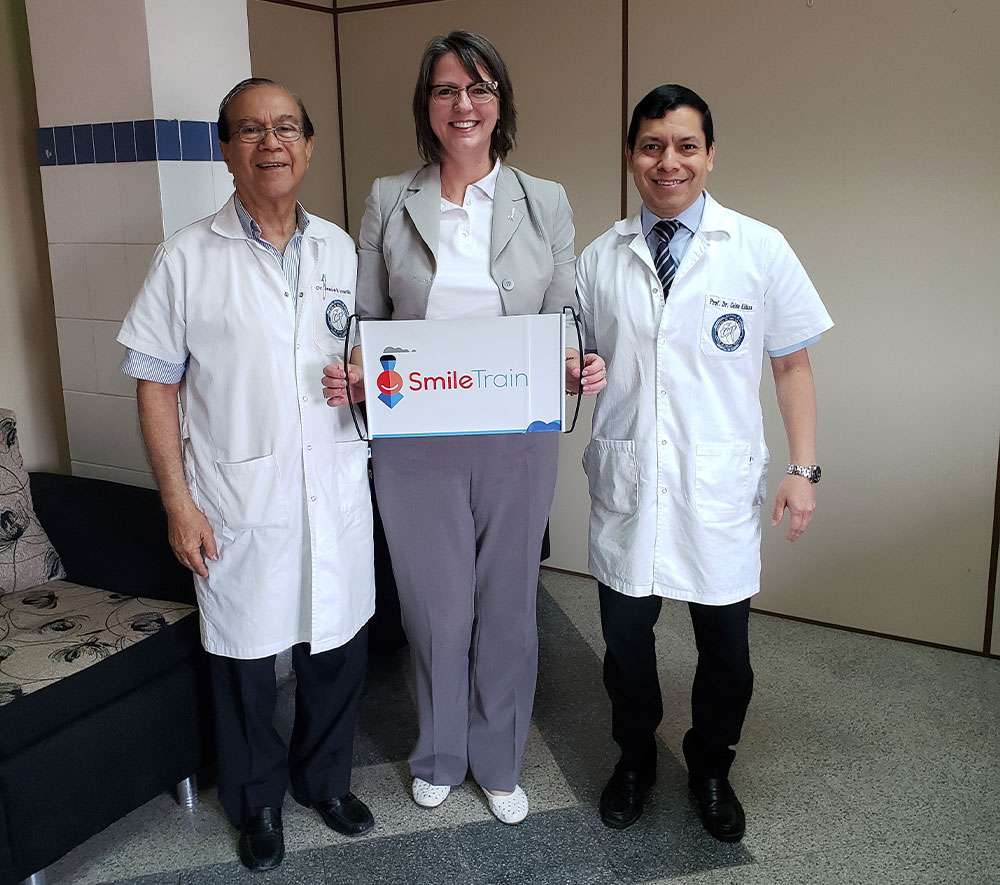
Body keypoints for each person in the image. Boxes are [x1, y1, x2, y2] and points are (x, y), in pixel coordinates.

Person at [322, 30, 605, 825]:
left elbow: (565, 313)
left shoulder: (542, 199)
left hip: (517, 432)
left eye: (479, 89)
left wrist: (579, 359)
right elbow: (368, 320)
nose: (464, 104)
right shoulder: (389, 197)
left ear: (500, 103)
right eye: (446, 90)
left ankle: (499, 759)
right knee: (434, 606)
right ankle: (441, 753)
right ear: (428, 106)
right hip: (416, 436)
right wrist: (353, 371)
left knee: (508, 602)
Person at [117, 78, 376, 871]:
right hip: (235, 493)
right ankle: (257, 798)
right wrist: (177, 502)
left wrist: (365, 375)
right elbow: (154, 382)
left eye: (288, 127)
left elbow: (358, 355)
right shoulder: (187, 257)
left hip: (331, 484)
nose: (273, 143)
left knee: (335, 642)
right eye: (252, 130)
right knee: (243, 661)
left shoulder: (338, 247)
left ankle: (324, 778)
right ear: (224, 148)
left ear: (307, 144)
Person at [576, 84, 833, 841]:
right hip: (629, 482)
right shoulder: (601, 256)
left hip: (716, 487)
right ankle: (634, 758)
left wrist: (804, 468)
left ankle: (711, 765)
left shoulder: (758, 247)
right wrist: (574, 367)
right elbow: (576, 356)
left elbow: (792, 366)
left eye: (687, 145)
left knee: (727, 656)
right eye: (652, 145)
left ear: (711, 154)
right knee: (626, 650)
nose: (669, 161)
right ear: (632, 156)